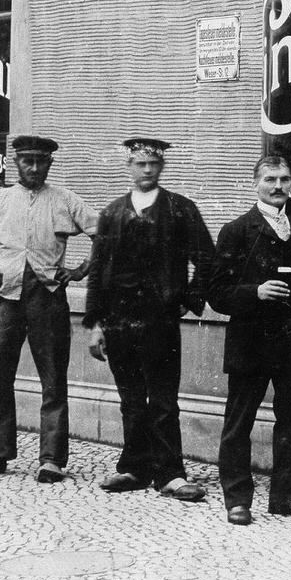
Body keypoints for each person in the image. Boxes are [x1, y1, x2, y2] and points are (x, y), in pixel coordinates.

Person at [0, 135, 99, 483]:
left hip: (48, 299)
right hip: (4, 298)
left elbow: (107, 234)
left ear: (50, 163)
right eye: (27, 160)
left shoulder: (65, 200)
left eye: (40, 161)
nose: (33, 167)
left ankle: (52, 460)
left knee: (53, 380)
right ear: (16, 162)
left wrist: (81, 270)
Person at [83, 137, 219, 502]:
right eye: (140, 164)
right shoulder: (112, 214)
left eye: (153, 164)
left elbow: (206, 258)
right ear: (129, 166)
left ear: (161, 167)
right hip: (119, 322)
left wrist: (189, 300)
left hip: (161, 322)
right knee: (130, 398)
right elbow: (98, 272)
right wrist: (96, 324)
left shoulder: (179, 209)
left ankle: (170, 474)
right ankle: (133, 468)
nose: (147, 170)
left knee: (162, 398)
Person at [209, 155, 291, 525]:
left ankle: (286, 497)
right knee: (239, 422)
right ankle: (237, 500)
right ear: (255, 184)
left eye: (284, 179)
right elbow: (216, 292)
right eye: (270, 179)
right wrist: (255, 291)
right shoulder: (236, 230)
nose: (278, 186)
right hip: (252, 340)